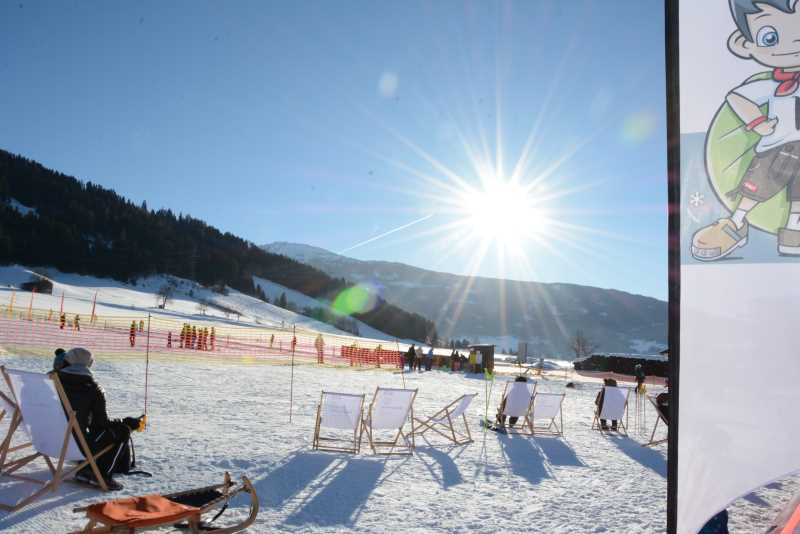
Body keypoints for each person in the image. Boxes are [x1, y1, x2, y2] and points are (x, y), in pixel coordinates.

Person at [57, 348, 144, 491]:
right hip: (74, 445)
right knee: (122, 431)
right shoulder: (93, 389)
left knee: (98, 430)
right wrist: (125, 423)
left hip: (45, 439)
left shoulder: (51, 381)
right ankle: (101, 474)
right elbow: (101, 423)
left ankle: (88, 466)